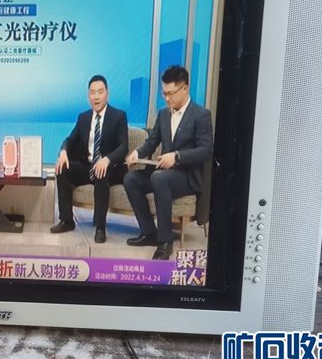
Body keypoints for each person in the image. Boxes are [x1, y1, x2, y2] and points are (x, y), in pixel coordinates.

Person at [123, 65, 213, 260]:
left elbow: (205, 151)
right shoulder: (163, 114)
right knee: (131, 179)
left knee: (159, 178)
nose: (166, 98)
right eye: (163, 93)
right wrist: (137, 153)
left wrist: (177, 156)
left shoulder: (201, 115)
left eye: (170, 93)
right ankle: (149, 232)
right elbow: (152, 141)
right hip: (163, 173)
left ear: (185, 89)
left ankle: (165, 241)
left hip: (187, 177)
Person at [50, 75, 128, 243]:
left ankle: (100, 227)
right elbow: (70, 140)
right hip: (87, 167)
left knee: (101, 171)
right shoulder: (84, 118)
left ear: (107, 94)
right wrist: (63, 152)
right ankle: (67, 220)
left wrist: (107, 159)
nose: (96, 96)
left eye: (100, 92)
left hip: (109, 169)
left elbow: (123, 146)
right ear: (88, 96)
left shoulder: (118, 116)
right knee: (63, 169)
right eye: (93, 92)